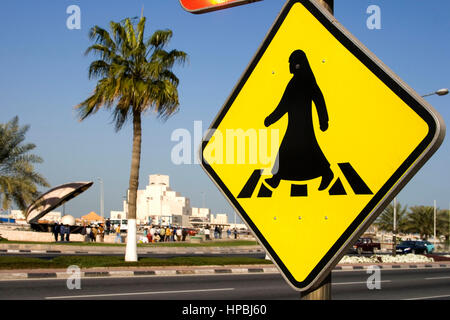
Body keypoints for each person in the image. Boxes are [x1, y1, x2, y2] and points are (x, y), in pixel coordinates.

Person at [263, 50, 333, 192]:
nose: (289, 65)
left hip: (303, 125)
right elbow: (284, 105)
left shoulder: (305, 80)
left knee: (299, 148)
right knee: (293, 150)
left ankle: (326, 173)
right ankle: (277, 178)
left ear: (298, 64)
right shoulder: (295, 82)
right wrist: (271, 119)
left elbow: (319, 99)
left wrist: (324, 121)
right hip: (294, 124)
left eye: (291, 62)